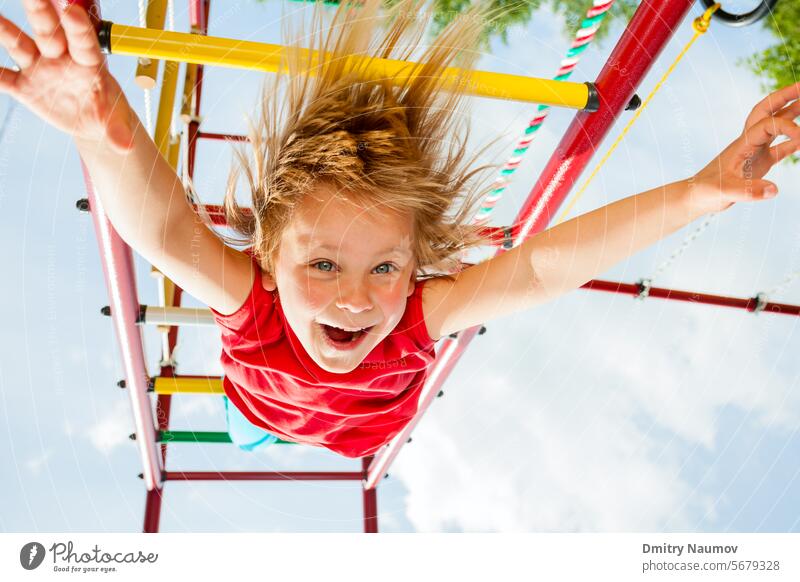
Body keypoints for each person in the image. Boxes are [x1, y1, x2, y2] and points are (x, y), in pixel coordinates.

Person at [2, 0, 798, 457]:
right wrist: (100, 132)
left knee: (293, 440)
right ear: (269, 258)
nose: (356, 298)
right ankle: (266, 438)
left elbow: (542, 267)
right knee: (254, 437)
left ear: (416, 263)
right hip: (259, 412)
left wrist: (699, 191)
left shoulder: (417, 312)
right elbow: (167, 231)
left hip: (359, 436)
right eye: (323, 266)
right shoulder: (256, 303)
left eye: (386, 268)